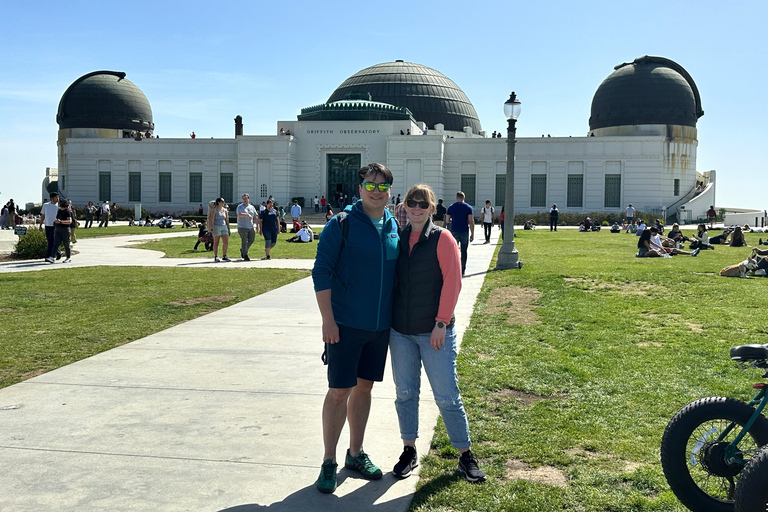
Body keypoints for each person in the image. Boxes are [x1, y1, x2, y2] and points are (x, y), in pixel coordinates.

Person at [311, 163, 399, 494]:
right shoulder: (342, 224)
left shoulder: (392, 224)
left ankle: (355, 454)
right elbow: (321, 271)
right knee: (338, 392)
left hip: (379, 328)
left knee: (365, 389)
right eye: (370, 186)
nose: (376, 192)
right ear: (359, 188)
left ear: (390, 191)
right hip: (345, 326)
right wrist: (328, 319)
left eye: (382, 187)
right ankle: (329, 461)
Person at [389, 183, 486, 482]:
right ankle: (409, 450)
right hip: (401, 332)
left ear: (432, 208)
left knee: (446, 396)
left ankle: (465, 455)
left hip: (434, 331)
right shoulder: (398, 238)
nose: (416, 208)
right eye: (411, 202)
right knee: (405, 394)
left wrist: (441, 323)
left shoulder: (443, 239)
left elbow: (453, 283)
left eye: (422, 203)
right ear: (404, 206)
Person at [446, 191, 474, 277]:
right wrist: (472, 234)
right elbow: (471, 221)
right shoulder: (468, 207)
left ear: (456, 197)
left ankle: (454, 268)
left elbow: (447, 220)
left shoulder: (451, 207)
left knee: (454, 251)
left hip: (454, 230)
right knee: (464, 251)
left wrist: (453, 220)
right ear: (464, 198)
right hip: (464, 231)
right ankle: (463, 269)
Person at [207, 198, 231, 262]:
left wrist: (228, 229)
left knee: (226, 242)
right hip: (216, 226)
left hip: (224, 226)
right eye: (222, 202)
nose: (223, 203)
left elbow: (227, 220)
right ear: (218, 202)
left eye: (223, 202)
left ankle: (224, 255)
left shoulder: (225, 210)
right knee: (216, 242)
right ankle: (216, 256)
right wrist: (212, 229)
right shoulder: (214, 210)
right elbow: (212, 220)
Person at [40, 192, 61, 263]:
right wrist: (40, 225)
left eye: (58, 197)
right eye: (56, 197)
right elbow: (43, 215)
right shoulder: (46, 205)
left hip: (55, 226)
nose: (57, 199)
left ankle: (48, 256)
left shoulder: (59, 207)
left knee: (51, 242)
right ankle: (58, 252)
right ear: (51, 198)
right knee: (50, 241)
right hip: (47, 225)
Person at [236, 193, 257, 261]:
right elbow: (239, 214)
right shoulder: (240, 207)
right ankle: (245, 255)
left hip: (250, 227)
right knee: (244, 240)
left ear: (249, 199)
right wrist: (247, 215)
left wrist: (258, 225)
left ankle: (243, 249)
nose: (245, 200)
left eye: (246, 199)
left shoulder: (252, 207)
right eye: (243, 199)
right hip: (242, 227)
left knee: (251, 240)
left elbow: (255, 216)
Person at [52, 198, 73, 263]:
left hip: (65, 229)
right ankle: (52, 257)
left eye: (59, 202)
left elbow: (69, 221)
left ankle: (68, 257)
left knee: (66, 244)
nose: (58, 203)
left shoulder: (67, 212)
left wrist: (61, 222)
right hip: (58, 229)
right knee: (56, 243)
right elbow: (57, 218)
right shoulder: (59, 211)